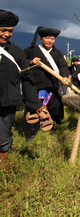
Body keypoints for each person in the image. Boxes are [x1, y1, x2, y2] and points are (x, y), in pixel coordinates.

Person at [0, 10, 43, 165]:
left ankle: (2, 166)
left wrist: (36, 105)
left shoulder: (16, 52)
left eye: (10, 31)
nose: (6, 34)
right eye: (3, 30)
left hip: (7, 101)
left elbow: (27, 78)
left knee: (3, 135)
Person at [24, 26, 69, 138]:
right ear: (41, 39)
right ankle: (30, 133)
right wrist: (30, 61)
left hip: (51, 85)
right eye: (47, 38)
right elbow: (21, 61)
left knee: (55, 107)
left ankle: (52, 126)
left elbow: (63, 66)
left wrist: (64, 77)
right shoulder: (31, 50)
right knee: (32, 111)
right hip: (35, 86)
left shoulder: (57, 53)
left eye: (52, 39)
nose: (50, 41)